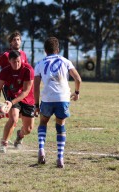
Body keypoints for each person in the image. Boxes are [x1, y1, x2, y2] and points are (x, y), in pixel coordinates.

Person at [34, 37, 82, 168]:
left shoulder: (39, 64)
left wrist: (36, 105)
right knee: (60, 125)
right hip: (63, 98)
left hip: (47, 98)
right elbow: (78, 79)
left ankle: (41, 149)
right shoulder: (65, 61)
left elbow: (36, 86)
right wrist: (76, 93)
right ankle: (60, 157)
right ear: (58, 49)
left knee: (43, 122)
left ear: (45, 50)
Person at [0, 50, 35, 153]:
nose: (16, 64)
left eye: (18, 61)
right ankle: (4, 143)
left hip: (28, 99)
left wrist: (12, 102)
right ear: (9, 61)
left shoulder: (28, 69)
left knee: (28, 129)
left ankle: (20, 135)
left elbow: (25, 92)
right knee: (13, 119)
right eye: (14, 62)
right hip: (12, 96)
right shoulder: (5, 71)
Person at [0, 31, 28, 129]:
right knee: (14, 112)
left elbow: (26, 69)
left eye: (18, 39)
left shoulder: (23, 54)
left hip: (21, 88)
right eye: (14, 40)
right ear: (10, 43)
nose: (16, 42)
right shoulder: (6, 55)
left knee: (19, 113)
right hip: (9, 87)